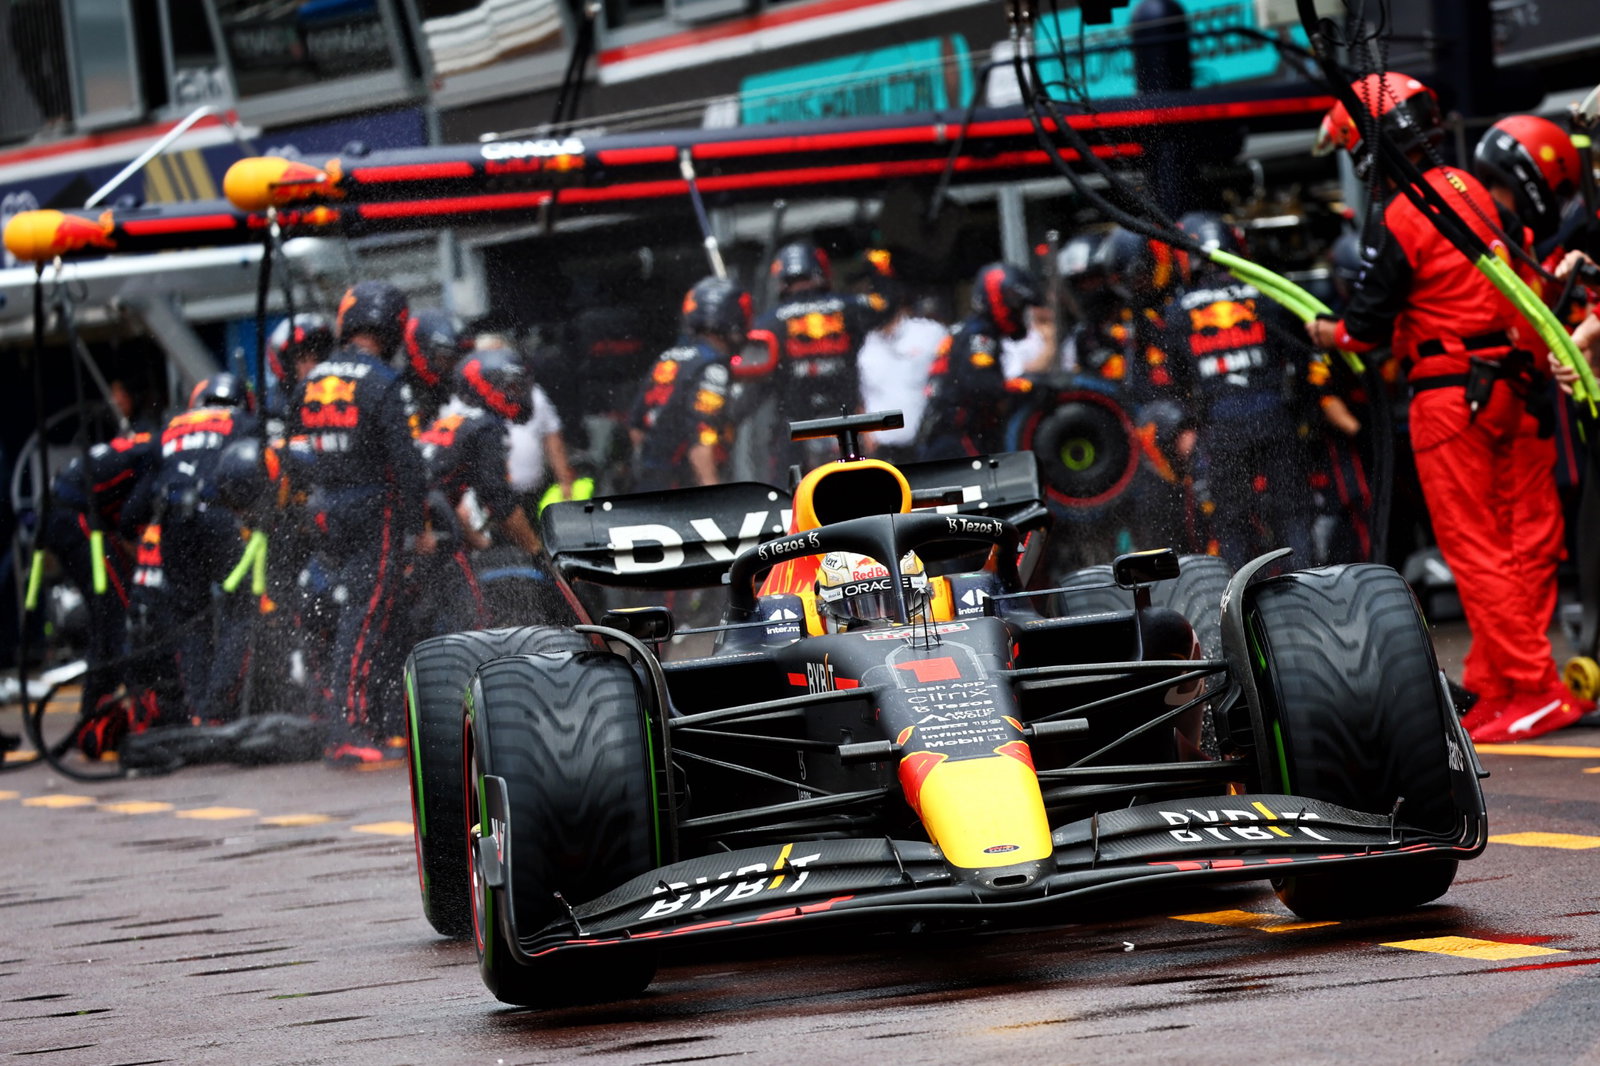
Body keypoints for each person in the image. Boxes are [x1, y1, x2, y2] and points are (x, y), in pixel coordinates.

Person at [1306, 72, 1581, 743]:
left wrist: (1327, 333)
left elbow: (1363, 328)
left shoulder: (1409, 211)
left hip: (1450, 397)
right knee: (1518, 545)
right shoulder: (1475, 192)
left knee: (1478, 551)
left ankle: (1536, 686)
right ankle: (1500, 685)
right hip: (1508, 389)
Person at [291, 280, 430, 765]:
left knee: (356, 614)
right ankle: (346, 730)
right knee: (367, 619)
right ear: (392, 326)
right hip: (375, 512)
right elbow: (407, 464)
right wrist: (421, 527)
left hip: (326, 513)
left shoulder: (312, 380)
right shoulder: (383, 381)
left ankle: (375, 721)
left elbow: (295, 451)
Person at [1170, 210, 1309, 567]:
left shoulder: (1178, 311)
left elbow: (1176, 379)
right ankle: (1308, 588)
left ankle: (1238, 605)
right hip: (1275, 417)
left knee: (1231, 522)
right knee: (1293, 514)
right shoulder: (1268, 292)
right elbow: (1301, 355)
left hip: (1223, 426)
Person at [122, 374, 259, 729]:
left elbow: (137, 506)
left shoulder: (171, 427)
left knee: (188, 619)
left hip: (173, 523)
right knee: (240, 610)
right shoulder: (245, 423)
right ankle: (218, 708)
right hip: (219, 516)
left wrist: (128, 532)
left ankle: (198, 711)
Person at [42, 428, 157, 746]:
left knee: (107, 615)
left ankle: (98, 709)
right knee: (119, 614)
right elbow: (131, 519)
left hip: (63, 515)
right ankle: (133, 713)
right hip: (77, 521)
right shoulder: (155, 457)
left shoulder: (141, 445)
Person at [751, 241, 888, 470]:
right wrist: (878, 266)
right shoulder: (849, 306)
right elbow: (885, 306)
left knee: (789, 496)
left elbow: (751, 370)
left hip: (795, 426)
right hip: (848, 424)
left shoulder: (769, 322)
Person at [629, 276, 749, 491]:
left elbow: (637, 428)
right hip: (686, 491)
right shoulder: (713, 367)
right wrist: (713, 490)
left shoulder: (668, 358)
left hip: (651, 485)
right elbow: (701, 435)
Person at [918, 262, 1042, 459]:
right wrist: (1022, 386)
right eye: (1016, 305)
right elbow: (977, 383)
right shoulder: (980, 334)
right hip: (956, 438)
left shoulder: (972, 329)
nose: (1019, 314)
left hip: (952, 434)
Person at [855, 255, 946, 463]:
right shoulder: (863, 346)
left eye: (876, 294)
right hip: (884, 451)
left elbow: (949, 377)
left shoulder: (929, 333)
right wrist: (866, 435)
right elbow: (858, 395)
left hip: (929, 444)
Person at [263, 313, 335, 437]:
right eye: (302, 359)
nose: (313, 367)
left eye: (317, 358)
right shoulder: (273, 410)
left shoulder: (342, 398)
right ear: (286, 365)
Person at [402, 308, 473, 428]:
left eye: (461, 358)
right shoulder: (401, 393)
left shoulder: (467, 390)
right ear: (424, 352)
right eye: (447, 358)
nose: (456, 366)